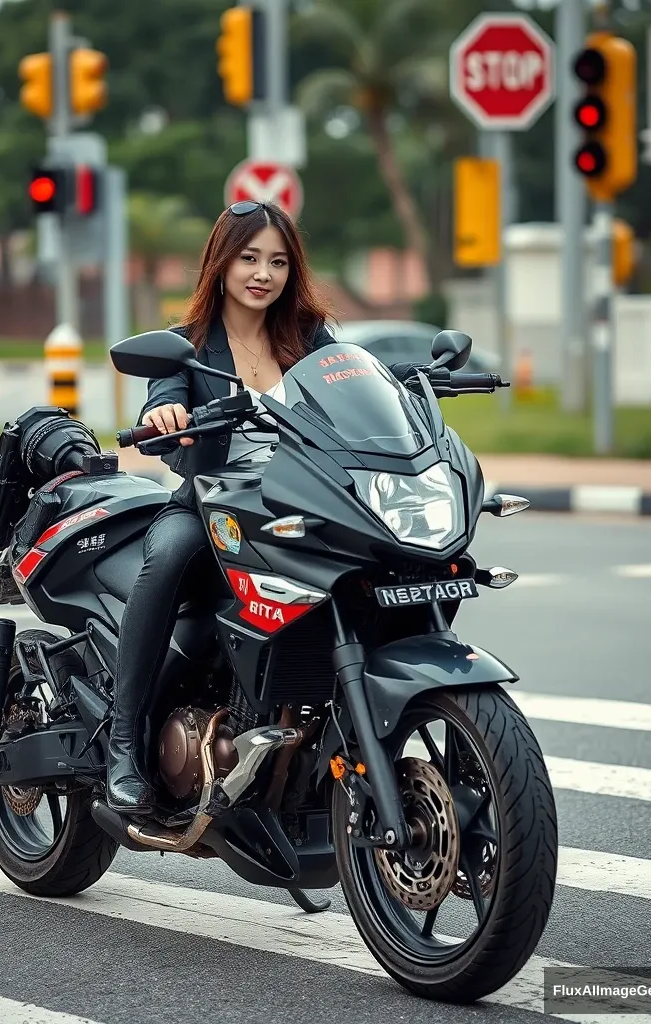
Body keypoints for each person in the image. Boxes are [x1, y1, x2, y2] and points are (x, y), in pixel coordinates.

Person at [105, 199, 416, 814]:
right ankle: (123, 742)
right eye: (248, 258)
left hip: (304, 504)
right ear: (220, 264)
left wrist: (410, 385)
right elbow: (163, 395)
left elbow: (359, 385)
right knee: (167, 557)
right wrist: (165, 415)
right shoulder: (186, 345)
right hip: (214, 505)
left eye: (277, 261)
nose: (262, 273)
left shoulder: (308, 340)